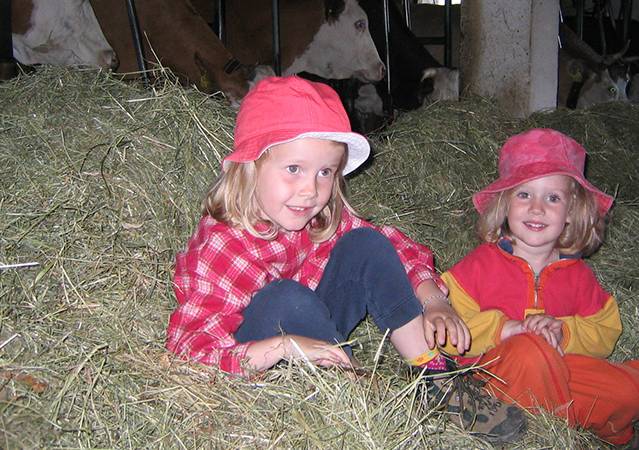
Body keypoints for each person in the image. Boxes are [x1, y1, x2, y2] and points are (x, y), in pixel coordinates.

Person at [166, 75, 525, 441]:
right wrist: (285, 346)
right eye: (294, 169)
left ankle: (433, 376)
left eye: (325, 172)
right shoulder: (223, 244)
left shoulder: (316, 216)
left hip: (317, 333)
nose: (310, 190)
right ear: (249, 166)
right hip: (260, 360)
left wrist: (433, 300)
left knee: (366, 244)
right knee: (285, 297)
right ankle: (362, 397)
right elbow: (190, 352)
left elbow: (391, 246)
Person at [438, 129, 639, 449]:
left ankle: (608, 434)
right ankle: (557, 437)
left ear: (571, 212)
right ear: (504, 204)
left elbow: (605, 330)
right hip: (493, 376)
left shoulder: (578, 275)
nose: (537, 208)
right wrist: (505, 329)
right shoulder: (479, 266)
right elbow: (445, 328)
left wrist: (564, 333)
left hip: (558, 369)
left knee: (628, 390)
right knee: (529, 352)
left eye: (553, 198)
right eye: (524, 194)